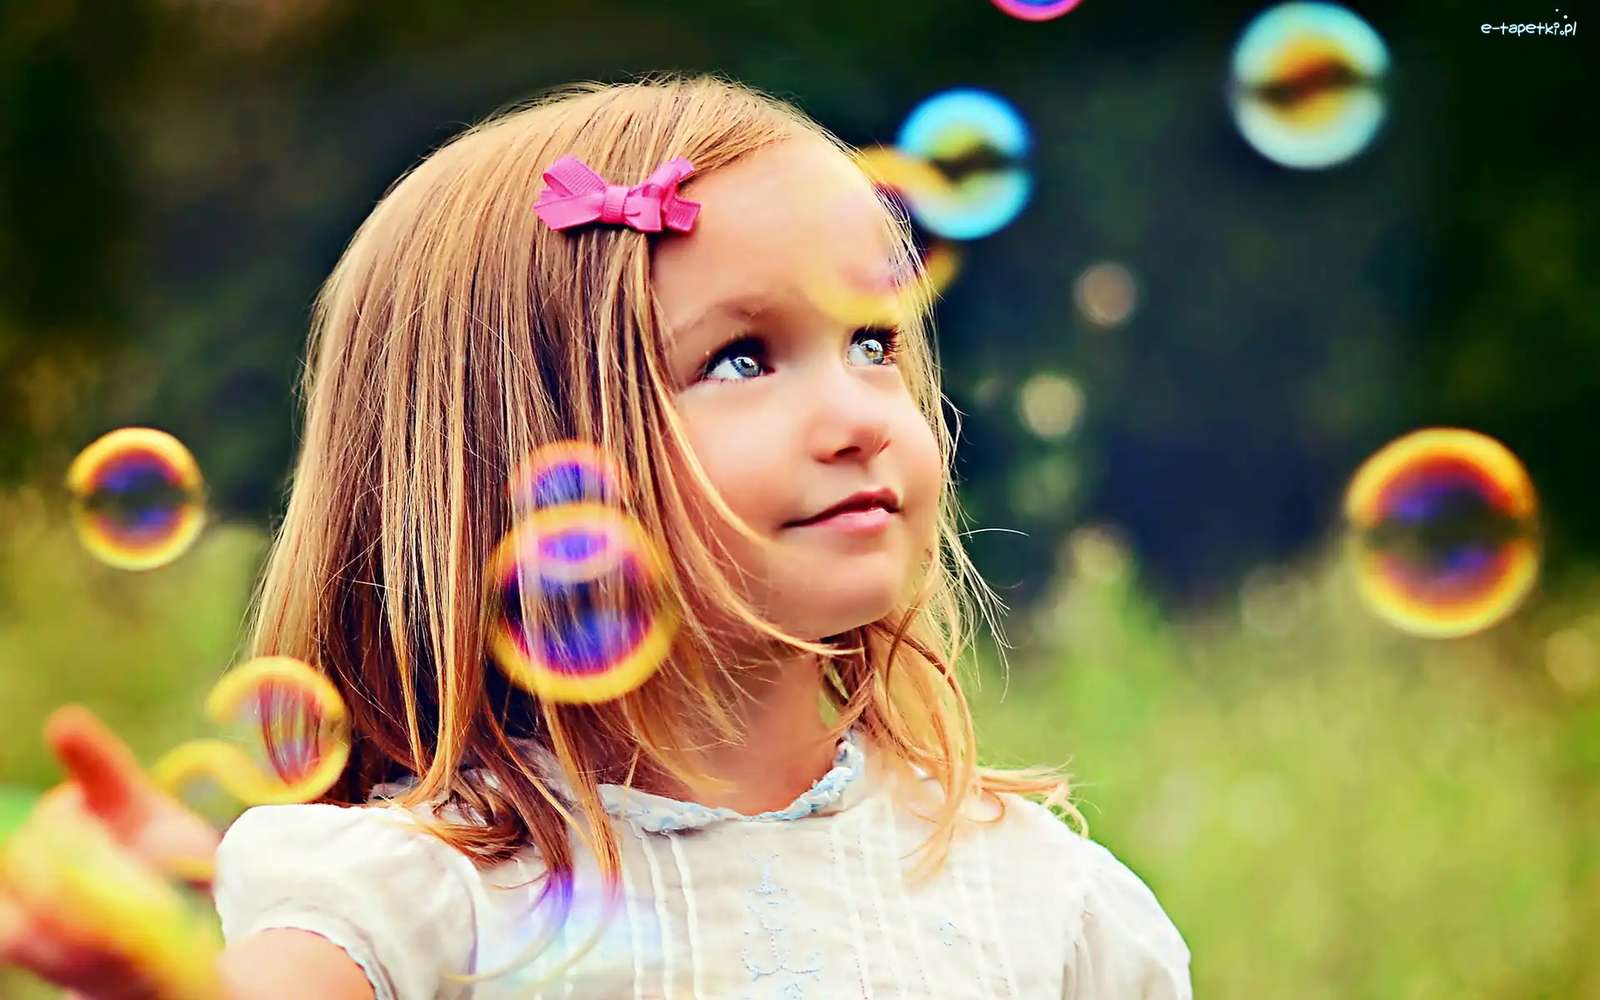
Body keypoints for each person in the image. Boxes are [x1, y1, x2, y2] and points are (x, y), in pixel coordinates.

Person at [0, 72, 1192, 999]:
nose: (855, 416)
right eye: (741, 356)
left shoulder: (1043, 897)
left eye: (873, 342)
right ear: (533, 481)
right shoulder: (419, 897)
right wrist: (150, 965)